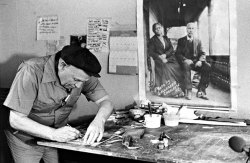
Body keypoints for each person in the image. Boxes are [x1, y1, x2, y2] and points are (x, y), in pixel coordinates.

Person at [3, 45, 114, 163]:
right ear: (62, 65)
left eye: (82, 81)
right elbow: (16, 120)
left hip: (57, 135)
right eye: (76, 80)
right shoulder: (31, 70)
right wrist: (52, 134)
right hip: (25, 137)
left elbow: (106, 102)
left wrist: (99, 121)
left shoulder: (83, 75)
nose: (78, 86)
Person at [175, 22, 211, 100]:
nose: (190, 30)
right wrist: (185, 59)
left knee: (207, 66)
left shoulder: (198, 40)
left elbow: (203, 53)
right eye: (189, 28)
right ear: (186, 29)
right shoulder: (181, 40)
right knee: (185, 65)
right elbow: (178, 54)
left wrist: (200, 61)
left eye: (192, 28)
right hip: (186, 62)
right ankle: (189, 90)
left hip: (196, 62)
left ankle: (201, 91)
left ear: (194, 30)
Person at [148, 23, 184, 97]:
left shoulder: (166, 38)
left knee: (177, 66)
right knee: (167, 68)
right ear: (154, 31)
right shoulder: (152, 40)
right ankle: (172, 92)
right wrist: (160, 56)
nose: (158, 30)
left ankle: (179, 87)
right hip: (159, 60)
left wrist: (165, 55)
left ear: (161, 28)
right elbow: (151, 52)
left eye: (159, 28)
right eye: (156, 29)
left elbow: (171, 48)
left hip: (168, 58)